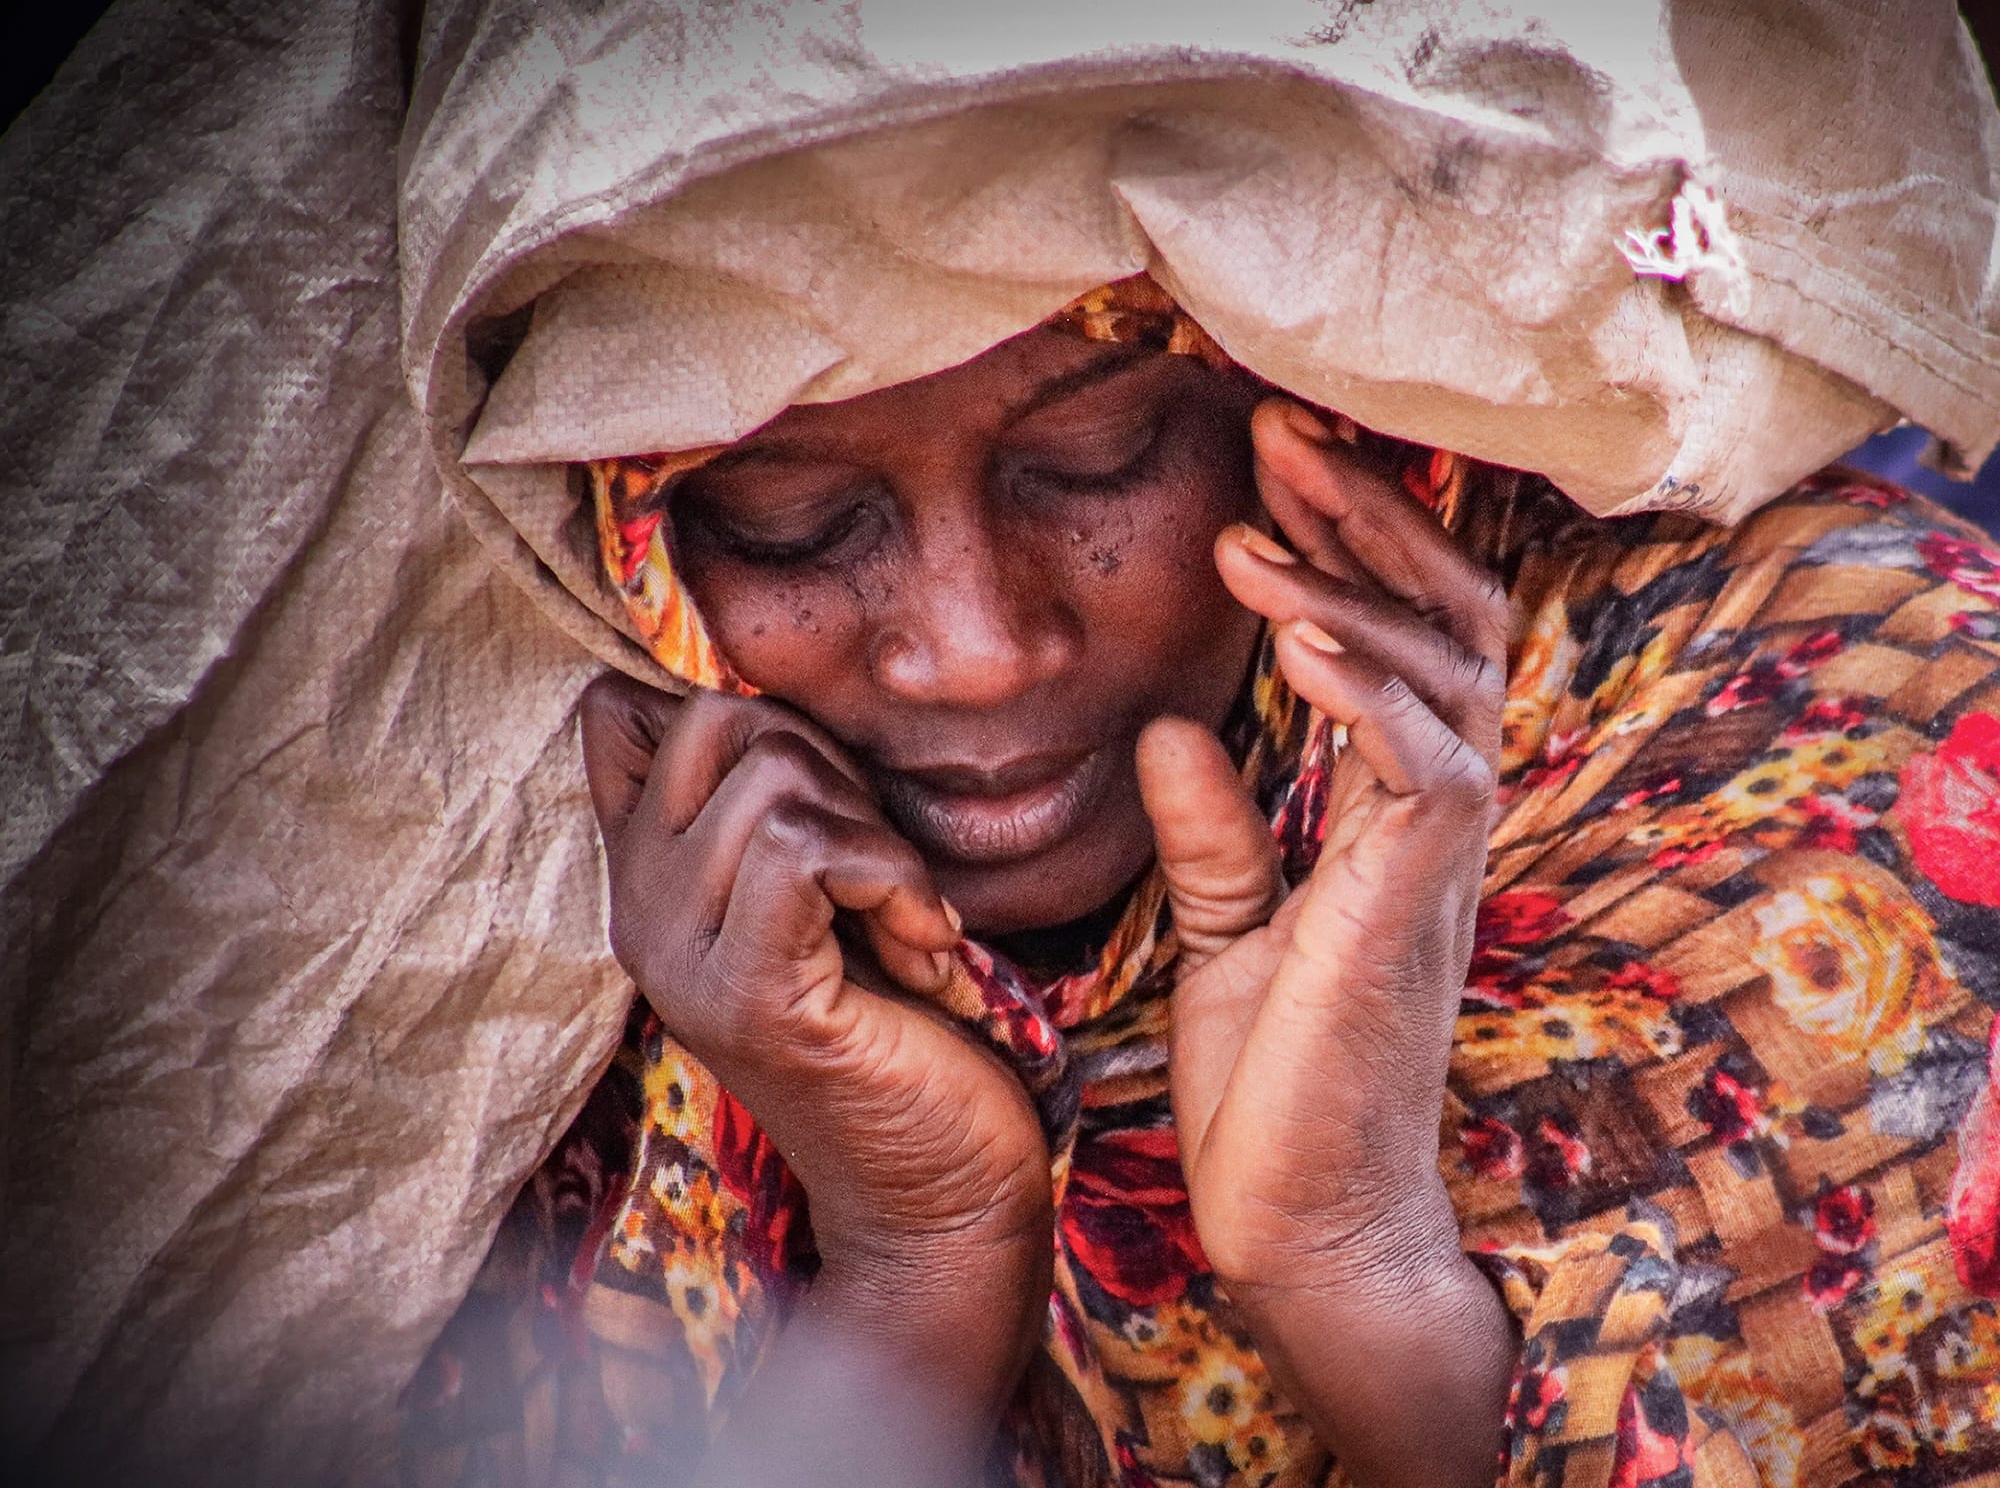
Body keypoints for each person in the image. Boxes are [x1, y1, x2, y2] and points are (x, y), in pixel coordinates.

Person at [402, 279, 2000, 1488]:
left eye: (1092, 457)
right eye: (790, 518)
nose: (970, 647)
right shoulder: (480, 949)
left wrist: (1355, 1262)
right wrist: (920, 1255)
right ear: (637, 539)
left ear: (1320, 406)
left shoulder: (1850, 737)